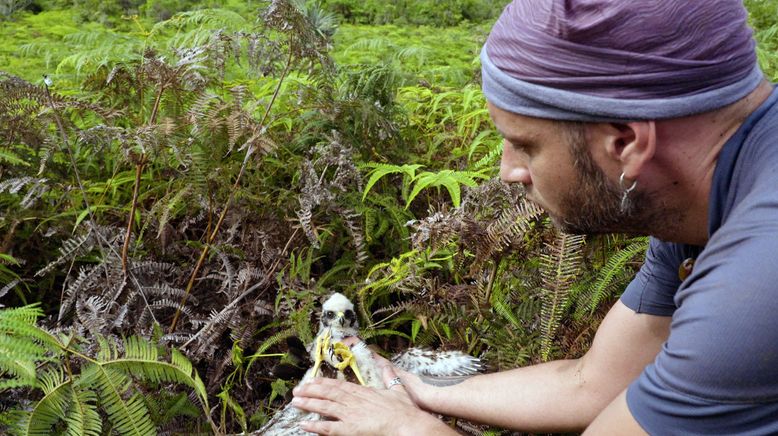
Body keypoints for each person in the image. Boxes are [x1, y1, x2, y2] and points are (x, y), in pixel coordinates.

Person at [291, 0, 778, 434]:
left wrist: (404, 431)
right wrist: (413, 390)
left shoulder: (755, 280)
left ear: (627, 142)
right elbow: (594, 382)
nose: (508, 171)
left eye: (525, 144)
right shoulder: (701, 196)